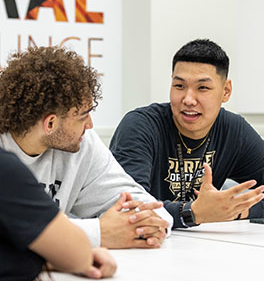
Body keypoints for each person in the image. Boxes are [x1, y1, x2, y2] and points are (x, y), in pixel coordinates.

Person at [0, 46, 172, 250]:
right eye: (83, 116)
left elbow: (151, 209)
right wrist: (99, 233)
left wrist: (147, 225)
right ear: (51, 124)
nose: (90, 125)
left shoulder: (82, 144)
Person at [110, 39, 264, 229]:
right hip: (144, 247)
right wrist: (194, 213)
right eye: (179, 86)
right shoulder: (140, 126)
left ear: (226, 91)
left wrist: (234, 210)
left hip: (202, 248)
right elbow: (129, 209)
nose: (188, 99)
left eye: (203, 88)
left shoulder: (233, 130)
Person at [0, 147, 116, 281]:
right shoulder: (6, 168)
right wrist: (98, 231)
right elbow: (77, 254)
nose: (89, 126)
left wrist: (50, 260)